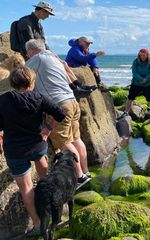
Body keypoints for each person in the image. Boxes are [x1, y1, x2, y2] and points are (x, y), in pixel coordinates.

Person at [0, 66, 65, 236]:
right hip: (38, 146)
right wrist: (47, 129)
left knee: (27, 188)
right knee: (45, 176)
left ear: (12, 83)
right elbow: (60, 113)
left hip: (15, 151)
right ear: (31, 81)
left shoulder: (3, 100)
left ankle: (38, 225)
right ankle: (53, 209)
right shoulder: (39, 97)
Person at [25, 39, 91, 188]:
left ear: (31, 51)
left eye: (27, 53)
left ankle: (79, 177)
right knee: (76, 139)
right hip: (72, 101)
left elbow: (22, 73)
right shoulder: (53, 57)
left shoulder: (38, 58)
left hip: (59, 104)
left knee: (63, 142)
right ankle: (85, 172)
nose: (27, 55)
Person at [122, 49, 150, 116]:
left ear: (147, 55)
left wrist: (145, 79)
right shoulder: (136, 62)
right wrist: (141, 79)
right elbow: (134, 72)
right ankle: (126, 112)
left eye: (144, 55)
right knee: (130, 97)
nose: (142, 56)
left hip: (147, 85)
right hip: (136, 84)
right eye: (141, 55)